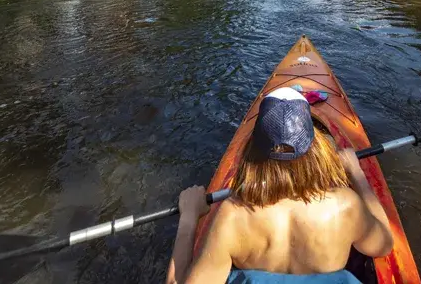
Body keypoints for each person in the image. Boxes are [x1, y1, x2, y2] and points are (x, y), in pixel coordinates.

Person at [165, 87, 394, 284]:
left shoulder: (232, 216)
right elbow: (383, 245)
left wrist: (189, 216)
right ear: (316, 148)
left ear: (252, 150)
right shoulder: (345, 205)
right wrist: (356, 174)